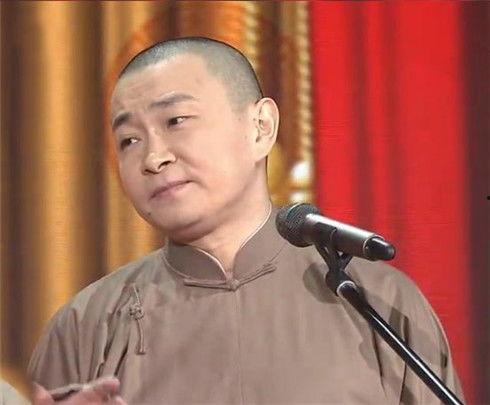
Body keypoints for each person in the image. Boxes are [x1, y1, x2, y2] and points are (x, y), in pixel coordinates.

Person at [28, 37, 463, 404]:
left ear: (260, 127)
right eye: (128, 140)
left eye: (176, 121)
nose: (153, 158)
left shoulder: (378, 303)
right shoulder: (87, 326)